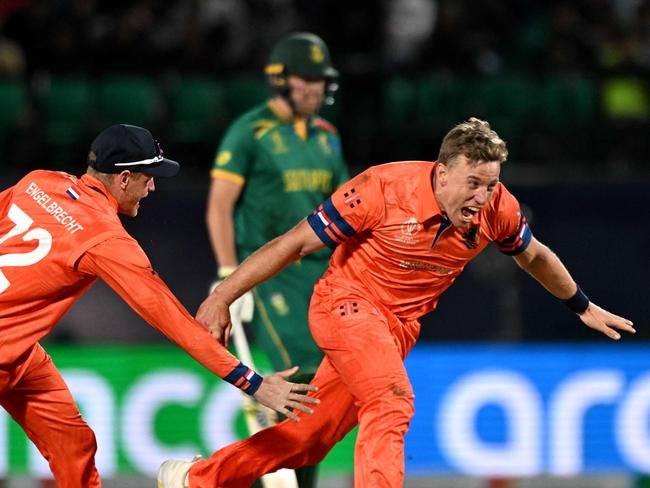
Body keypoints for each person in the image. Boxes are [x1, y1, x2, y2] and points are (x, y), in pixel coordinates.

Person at [160, 118, 635, 487]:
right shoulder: (381, 190)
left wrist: (581, 305)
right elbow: (293, 244)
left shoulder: (497, 209)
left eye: (490, 184)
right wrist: (223, 295)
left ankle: (195, 478)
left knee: (310, 439)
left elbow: (534, 256)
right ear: (442, 173)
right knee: (393, 404)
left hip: (397, 329)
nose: (482, 196)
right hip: (345, 305)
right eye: (473, 183)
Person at [0, 124, 318, 488]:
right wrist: (255, 384)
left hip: (20, 351)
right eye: (148, 176)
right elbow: (176, 324)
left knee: (74, 443)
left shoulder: (40, 182)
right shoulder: (105, 239)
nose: (152, 187)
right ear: (123, 178)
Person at [204, 31, 348, 488]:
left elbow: (344, 206)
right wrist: (230, 274)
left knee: (321, 385)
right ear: (280, 80)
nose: (315, 89)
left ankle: (285, 474)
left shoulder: (328, 137)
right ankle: (253, 471)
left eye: (320, 80)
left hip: (322, 272)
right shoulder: (250, 131)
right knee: (303, 375)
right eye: (306, 79)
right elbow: (219, 206)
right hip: (269, 271)